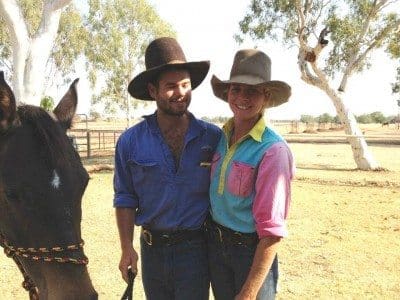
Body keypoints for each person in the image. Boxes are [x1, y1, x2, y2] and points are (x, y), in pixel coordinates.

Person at [113, 37, 221, 300]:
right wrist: (127, 248)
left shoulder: (212, 138)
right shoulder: (130, 142)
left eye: (185, 84)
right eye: (171, 86)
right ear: (153, 91)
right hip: (153, 251)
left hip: (196, 251)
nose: (180, 92)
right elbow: (125, 197)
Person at [206, 49, 295, 300]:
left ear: (265, 97)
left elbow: (272, 232)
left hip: (250, 252)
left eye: (252, 90)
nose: (242, 97)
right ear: (228, 93)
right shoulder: (220, 138)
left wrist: (248, 293)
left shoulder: (272, 150)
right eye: (236, 89)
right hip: (217, 245)